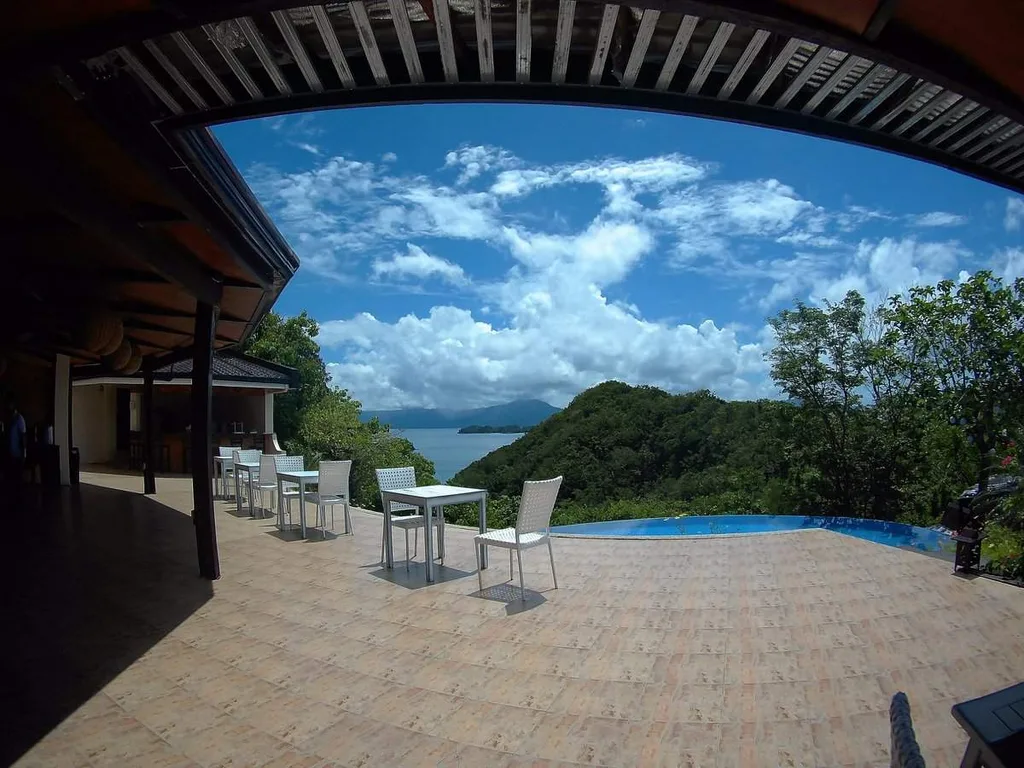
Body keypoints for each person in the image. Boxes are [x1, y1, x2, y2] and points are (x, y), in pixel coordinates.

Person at [7, 402, 26, 493]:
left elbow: (23, 436)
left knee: (18, 479)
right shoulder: (10, 419)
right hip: (11, 453)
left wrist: (24, 453)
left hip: (18, 454)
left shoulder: (19, 418)